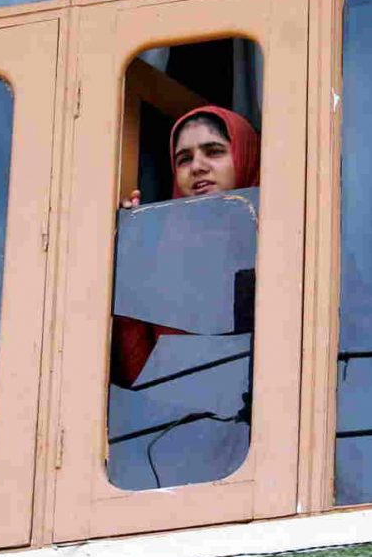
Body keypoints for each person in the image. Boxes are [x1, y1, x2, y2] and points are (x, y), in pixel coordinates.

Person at [111, 104, 261, 387]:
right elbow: (142, 372)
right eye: (184, 159)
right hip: (180, 425)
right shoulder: (163, 250)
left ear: (247, 154)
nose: (197, 167)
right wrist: (130, 248)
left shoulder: (286, 235)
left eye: (214, 151)